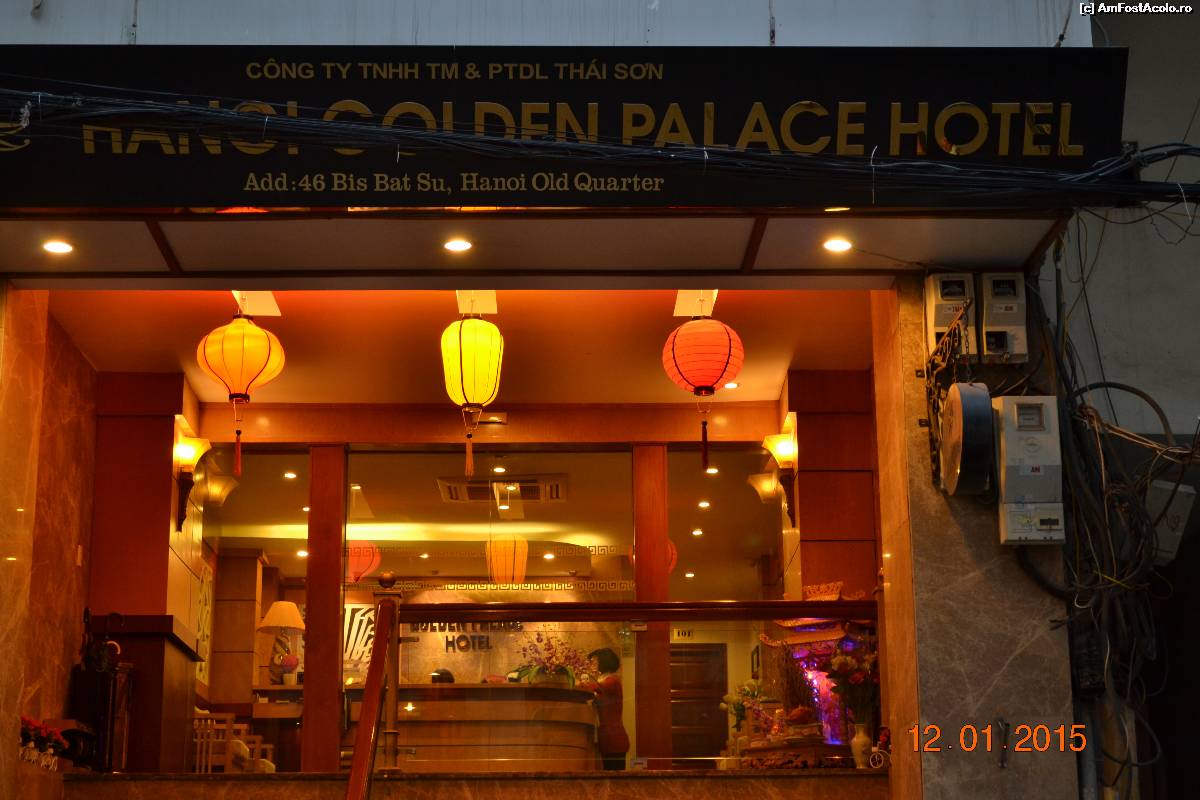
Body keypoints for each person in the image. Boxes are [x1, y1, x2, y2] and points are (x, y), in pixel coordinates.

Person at [580, 647, 629, 770]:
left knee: (615, 777)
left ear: (604, 662)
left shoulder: (612, 682)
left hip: (614, 739)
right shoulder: (603, 682)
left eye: (595, 661)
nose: (592, 664)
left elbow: (592, 687)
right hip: (607, 738)